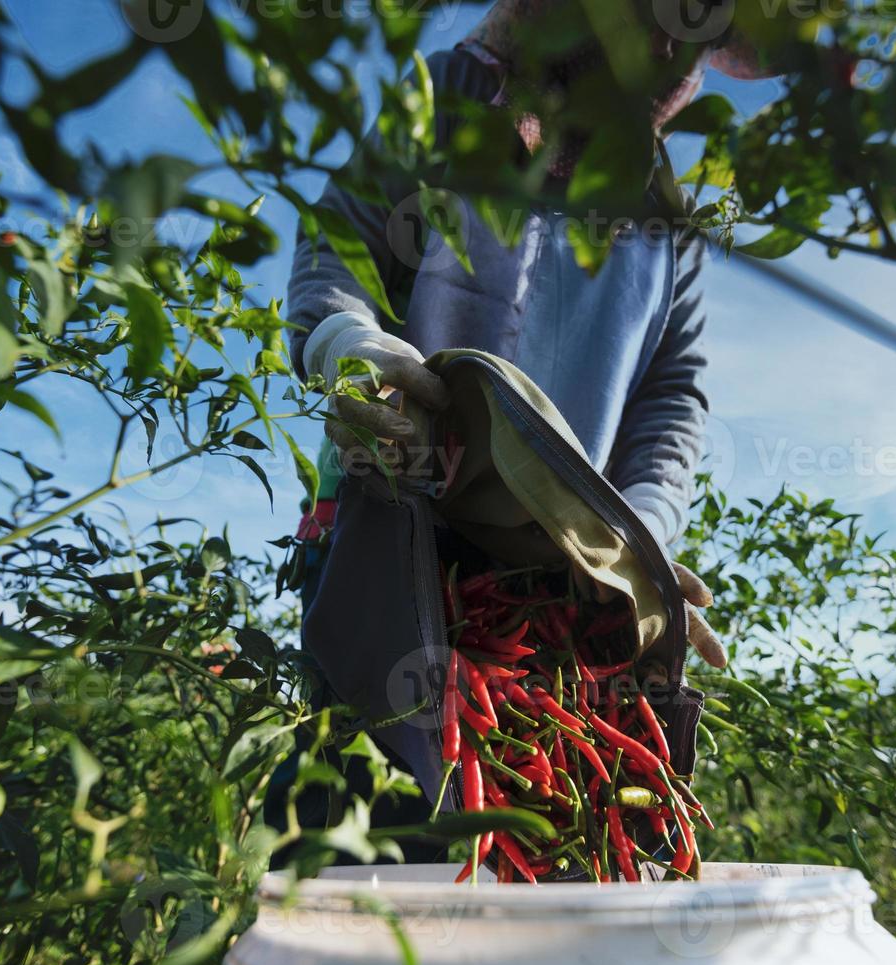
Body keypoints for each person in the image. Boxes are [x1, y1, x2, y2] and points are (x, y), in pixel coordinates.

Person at [272, 0, 757, 856]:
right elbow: (336, 241)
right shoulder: (446, 103)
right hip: (396, 519)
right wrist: (350, 342)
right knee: (366, 823)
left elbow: (671, 391)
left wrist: (644, 530)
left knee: (567, 822)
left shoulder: (659, 205)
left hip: (566, 556)